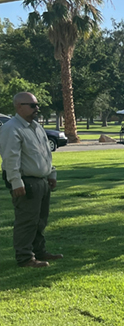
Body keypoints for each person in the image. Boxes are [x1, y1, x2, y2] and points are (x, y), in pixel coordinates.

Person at [0, 92, 62, 268]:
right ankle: (25, 257)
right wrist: (15, 181)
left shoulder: (36, 127)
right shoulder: (11, 128)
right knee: (27, 220)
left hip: (41, 180)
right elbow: (10, 158)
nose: (37, 109)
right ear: (19, 106)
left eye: (37, 105)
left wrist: (52, 174)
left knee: (41, 220)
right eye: (32, 105)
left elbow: (45, 154)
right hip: (25, 180)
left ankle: (39, 251)